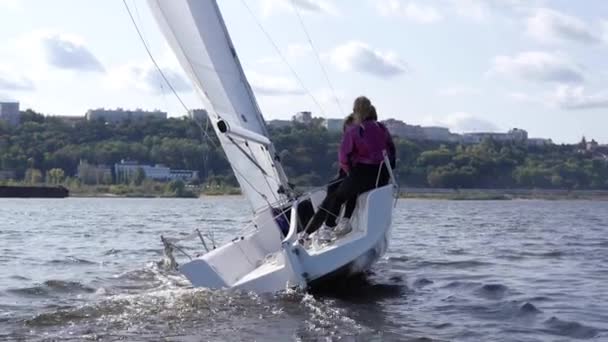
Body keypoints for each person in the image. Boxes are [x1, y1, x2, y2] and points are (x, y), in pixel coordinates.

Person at [301, 96, 396, 242]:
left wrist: (350, 173)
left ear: (355, 111)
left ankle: (328, 228)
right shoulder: (382, 128)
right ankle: (333, 225)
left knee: (337, 196)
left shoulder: (354, 131)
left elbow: (343, 157)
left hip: (362, 173)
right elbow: (391, 150)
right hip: (382, 175)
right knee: (343, 190)